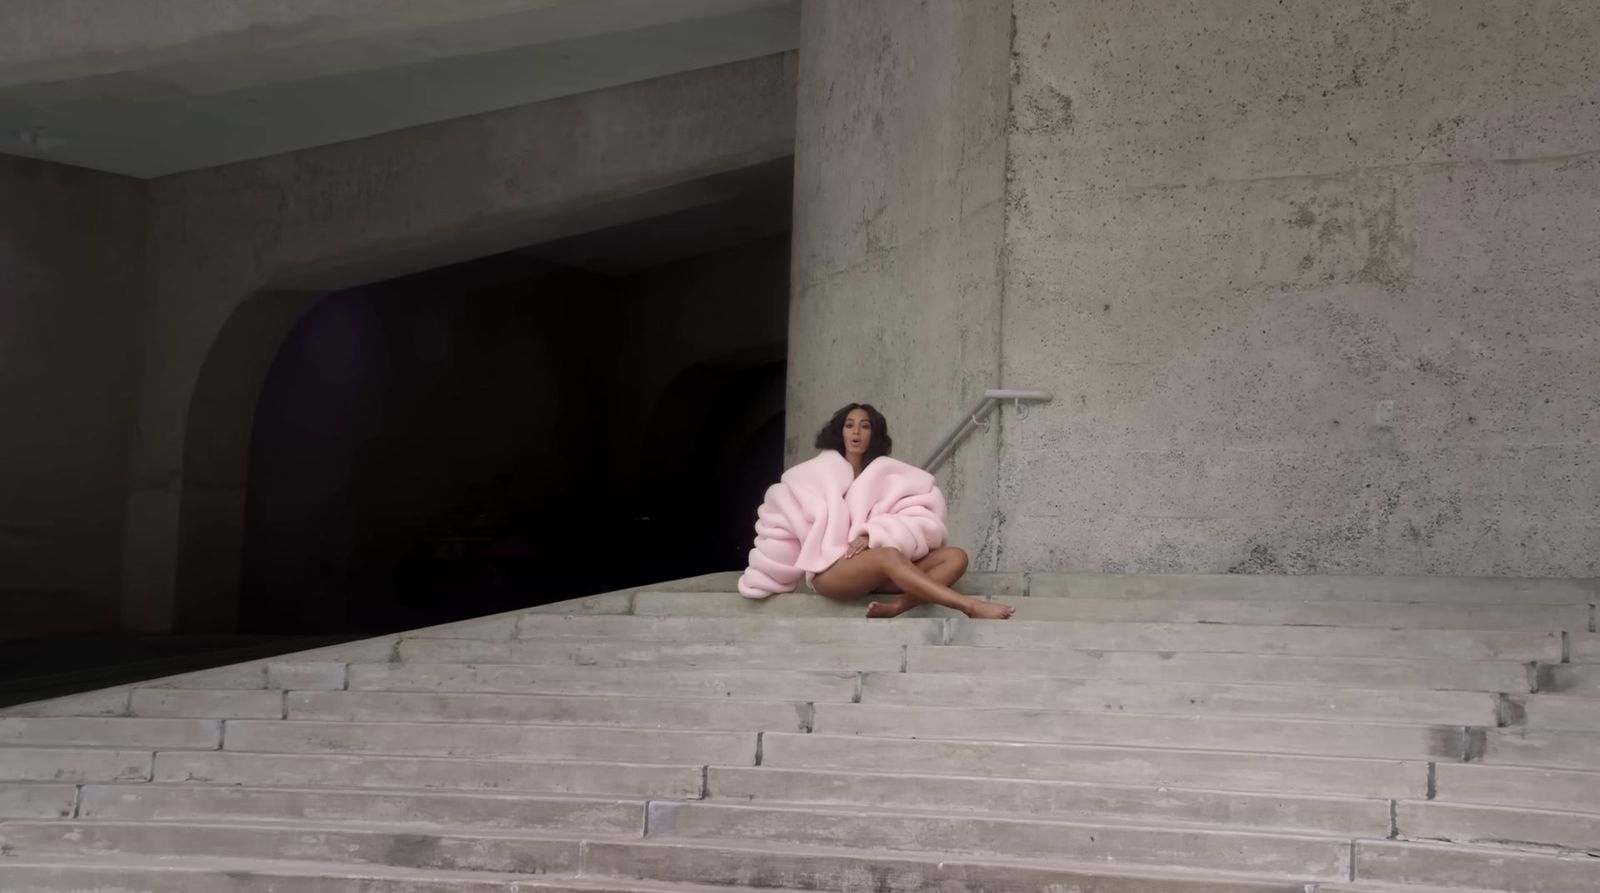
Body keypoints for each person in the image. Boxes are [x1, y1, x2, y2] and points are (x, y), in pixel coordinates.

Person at [738, 402, 1014, 620]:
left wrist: (874, 533)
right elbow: (782, 518)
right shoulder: (811, 475)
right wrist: (765, 577)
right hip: (833, 571)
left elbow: (922, 519)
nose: (856, 432)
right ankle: (969, 607)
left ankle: (896, 607)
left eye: (864, 426)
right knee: (888, 556)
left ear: (874, 433)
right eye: (849, 425)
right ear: (840, 431)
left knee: (956, 557)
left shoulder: (889, 475)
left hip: (879, 568)